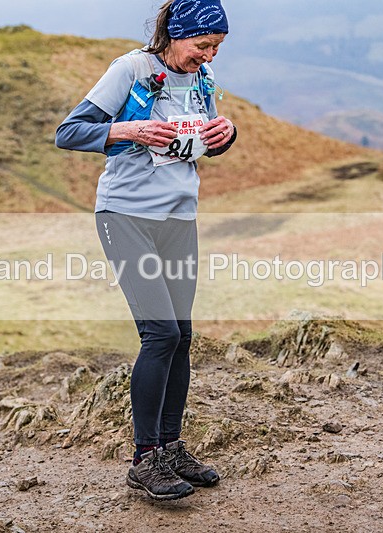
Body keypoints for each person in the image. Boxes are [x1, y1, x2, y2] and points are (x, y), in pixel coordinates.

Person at [56, 0, 236, 501]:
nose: (208, 56)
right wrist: (129, 130)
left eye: (216, 48)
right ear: (175, 36)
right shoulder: (131, 68)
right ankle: (144, 459)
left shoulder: (201, 79)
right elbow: (67, 132)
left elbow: (202, 138)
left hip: (179, 218)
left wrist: (225, 135)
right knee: (158, 333)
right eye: (202, 46)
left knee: (181, 334)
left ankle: (172, 447)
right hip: (126, 216)